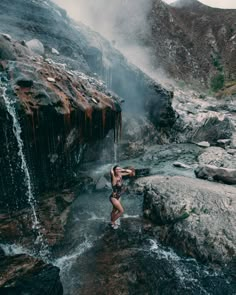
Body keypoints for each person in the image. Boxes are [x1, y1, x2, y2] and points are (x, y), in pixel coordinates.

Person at [109, 165, 135, 229]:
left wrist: (122, 169)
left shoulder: (120, 175)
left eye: (119, 169)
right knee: (121, 211)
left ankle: (112, 221)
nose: (118, 170)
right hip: (113, 197)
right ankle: (112, 222)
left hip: (119, 196)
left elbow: (130, 172)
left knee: (114, 210)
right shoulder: (114, 178)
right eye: (117, 169)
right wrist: (112, 171)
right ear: (114, 171)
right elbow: (111, 172)